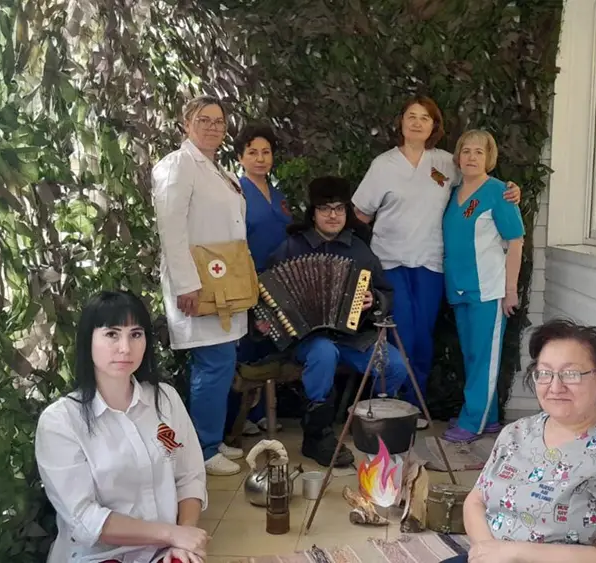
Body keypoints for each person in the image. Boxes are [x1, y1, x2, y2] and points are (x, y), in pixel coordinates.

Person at [351, 95, 521, 429]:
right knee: (400, 334)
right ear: (401, 122)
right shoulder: (383, 165)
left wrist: (511, 190)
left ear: (434, 126)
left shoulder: (445, 162)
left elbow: (477, 181)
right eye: (411, 116)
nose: (417, 123)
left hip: (431, 264)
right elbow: (360, 213)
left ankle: (414, 407)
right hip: (391, 262)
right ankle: (390, 405)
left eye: (425, 118)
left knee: (424, 337)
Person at [439, 318, 596, 563]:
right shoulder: (517, 433)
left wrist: (513, 553)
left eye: (571, 374)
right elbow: (475, 501)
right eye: (545, 373)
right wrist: (489, 551)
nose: (555, 386)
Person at [35, 290, 209, 563]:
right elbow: (84, 517)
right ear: (88, 341)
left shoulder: (165, 400)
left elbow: (190, 478)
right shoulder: (61, 421)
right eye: (112, 334)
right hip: (97, 557)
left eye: (136, 334)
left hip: (165, 551)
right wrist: (172, 534)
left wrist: (183, 539)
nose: (126, 348)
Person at [264, 176, 409, 467]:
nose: (333, 215)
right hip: (308, 338)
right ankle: (316, 435)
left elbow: (385, 292)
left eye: (339, 209)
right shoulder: (292, 247)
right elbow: (266, 291)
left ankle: (363, 420)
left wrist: (374, 300)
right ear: (313, 213)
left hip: (353, 336)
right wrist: (269, 321)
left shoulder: (359, 249)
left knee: (394, 365)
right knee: (323, 352)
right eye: (325, 208)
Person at [151, 95, 247, 476]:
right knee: (213, 362)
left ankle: (213, 438)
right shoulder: (177, 166)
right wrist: (186, 284)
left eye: (218, 121)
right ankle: (203, 451)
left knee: (222, 362)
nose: (212, 127)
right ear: (186, 124)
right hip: (198, 284)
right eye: (203, 120)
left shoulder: (219, 171)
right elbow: (171, 229)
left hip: (224, 280)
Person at [441, 130, 524, 444]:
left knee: (484, 358)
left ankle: (473, 420)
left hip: (488, 289)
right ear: (458, 156)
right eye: (466, 151)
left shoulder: (499, 192)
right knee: (473, 356)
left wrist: (511, 290)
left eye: (479, 152)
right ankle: (486, 417)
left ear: (489, 157)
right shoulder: (453, 192)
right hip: (459, 287)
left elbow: (516, 242)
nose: (471, 157)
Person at [234, 122, 292, 437]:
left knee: (271, 346)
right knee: (248, 347)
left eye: (266, 152)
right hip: (248, 280)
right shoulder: (236, 192)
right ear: (240, 157)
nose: (260, 158)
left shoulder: (279, 195)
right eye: (252, 152)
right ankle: (240, 417)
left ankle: (261, 413)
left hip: (280, 283)